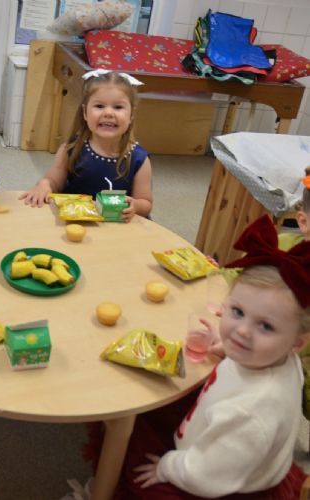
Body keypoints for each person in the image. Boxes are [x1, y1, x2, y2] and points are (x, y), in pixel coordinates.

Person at [112, 215, 309, 499]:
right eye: (237, 312)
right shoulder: (279, 357)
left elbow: (205, 474)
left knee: (128, 439)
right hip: (240, 454)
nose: (242, 331)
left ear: (297, 343)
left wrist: (167, 467)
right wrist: (226, 345)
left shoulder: (250, 413)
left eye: (265, 326)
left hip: (220, 481)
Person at [20, 69, 152, 222]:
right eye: (99, 106)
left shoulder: (139, 159)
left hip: (117, 226)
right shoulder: (71, 149)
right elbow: (53, 180)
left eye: (118, 107)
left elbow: (146, 203)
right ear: (85, 113)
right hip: (76, 222)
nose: (108, 113)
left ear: (131, 115)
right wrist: (44, 184)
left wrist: (136, 205)